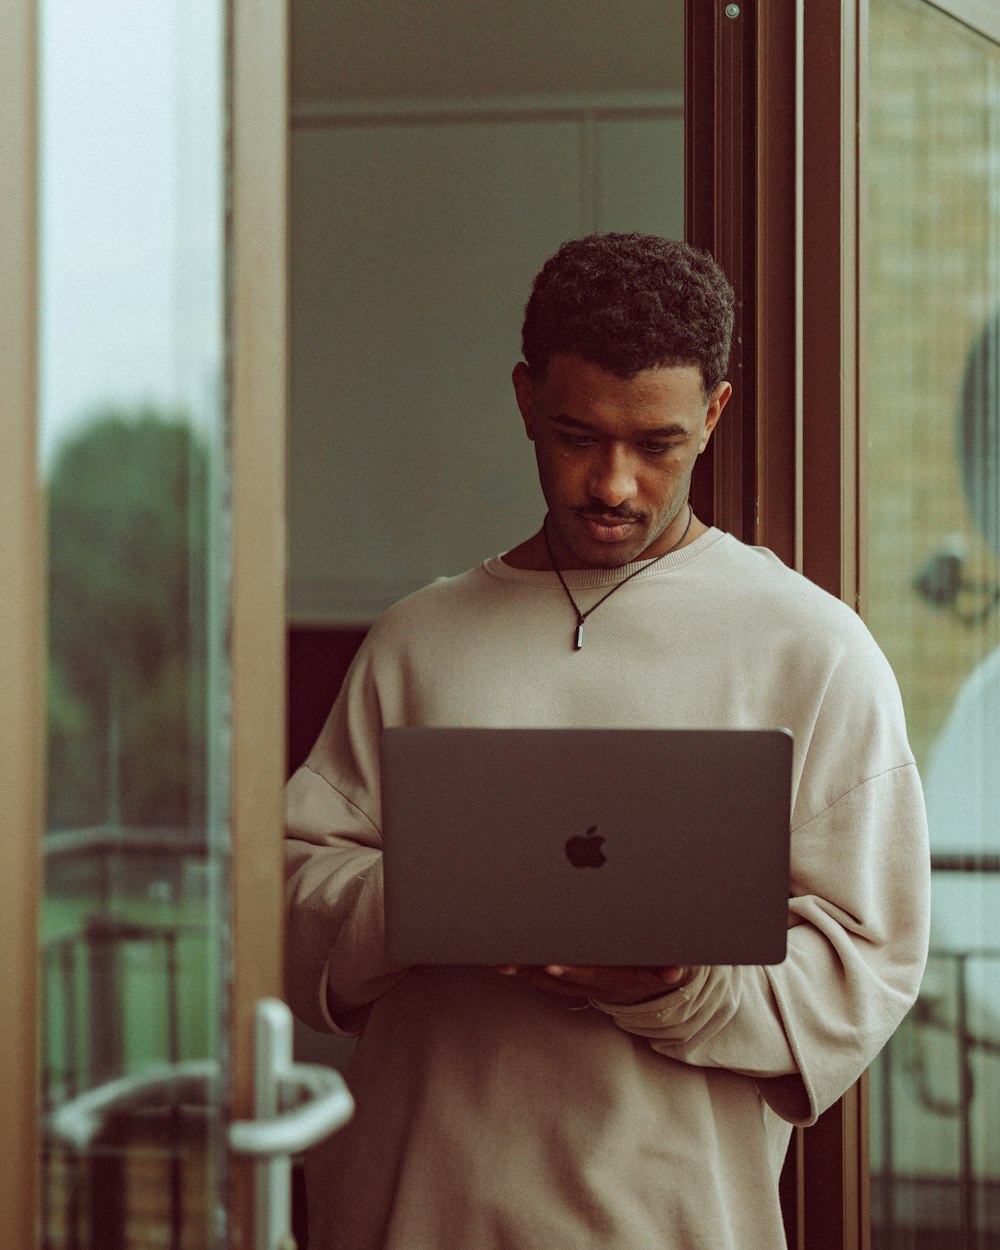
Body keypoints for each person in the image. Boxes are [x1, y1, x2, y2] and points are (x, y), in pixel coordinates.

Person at [284, 232, 930, 1250]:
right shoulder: (419, 636)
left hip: (670, 1220)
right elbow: (286, 919)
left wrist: (680, 987)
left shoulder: (815, 651)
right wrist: (429, 891)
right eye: (577, 435)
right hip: (406, 1209)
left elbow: (868, 973)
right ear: (523, 399)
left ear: (713, 413)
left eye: (657, 443)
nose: (614, 484)